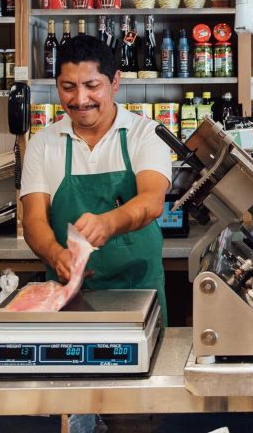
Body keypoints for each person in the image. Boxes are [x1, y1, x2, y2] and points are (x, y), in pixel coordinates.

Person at [20, 34, 172, 321]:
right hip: (69, 297)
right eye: (68, 88)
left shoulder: (146, 134)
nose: (80, 99)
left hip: (139, 292)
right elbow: (33, 220)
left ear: (114, 82)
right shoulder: (43, 143)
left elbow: (152, 201)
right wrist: (55, 254)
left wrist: (107, 223)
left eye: (92, 86)